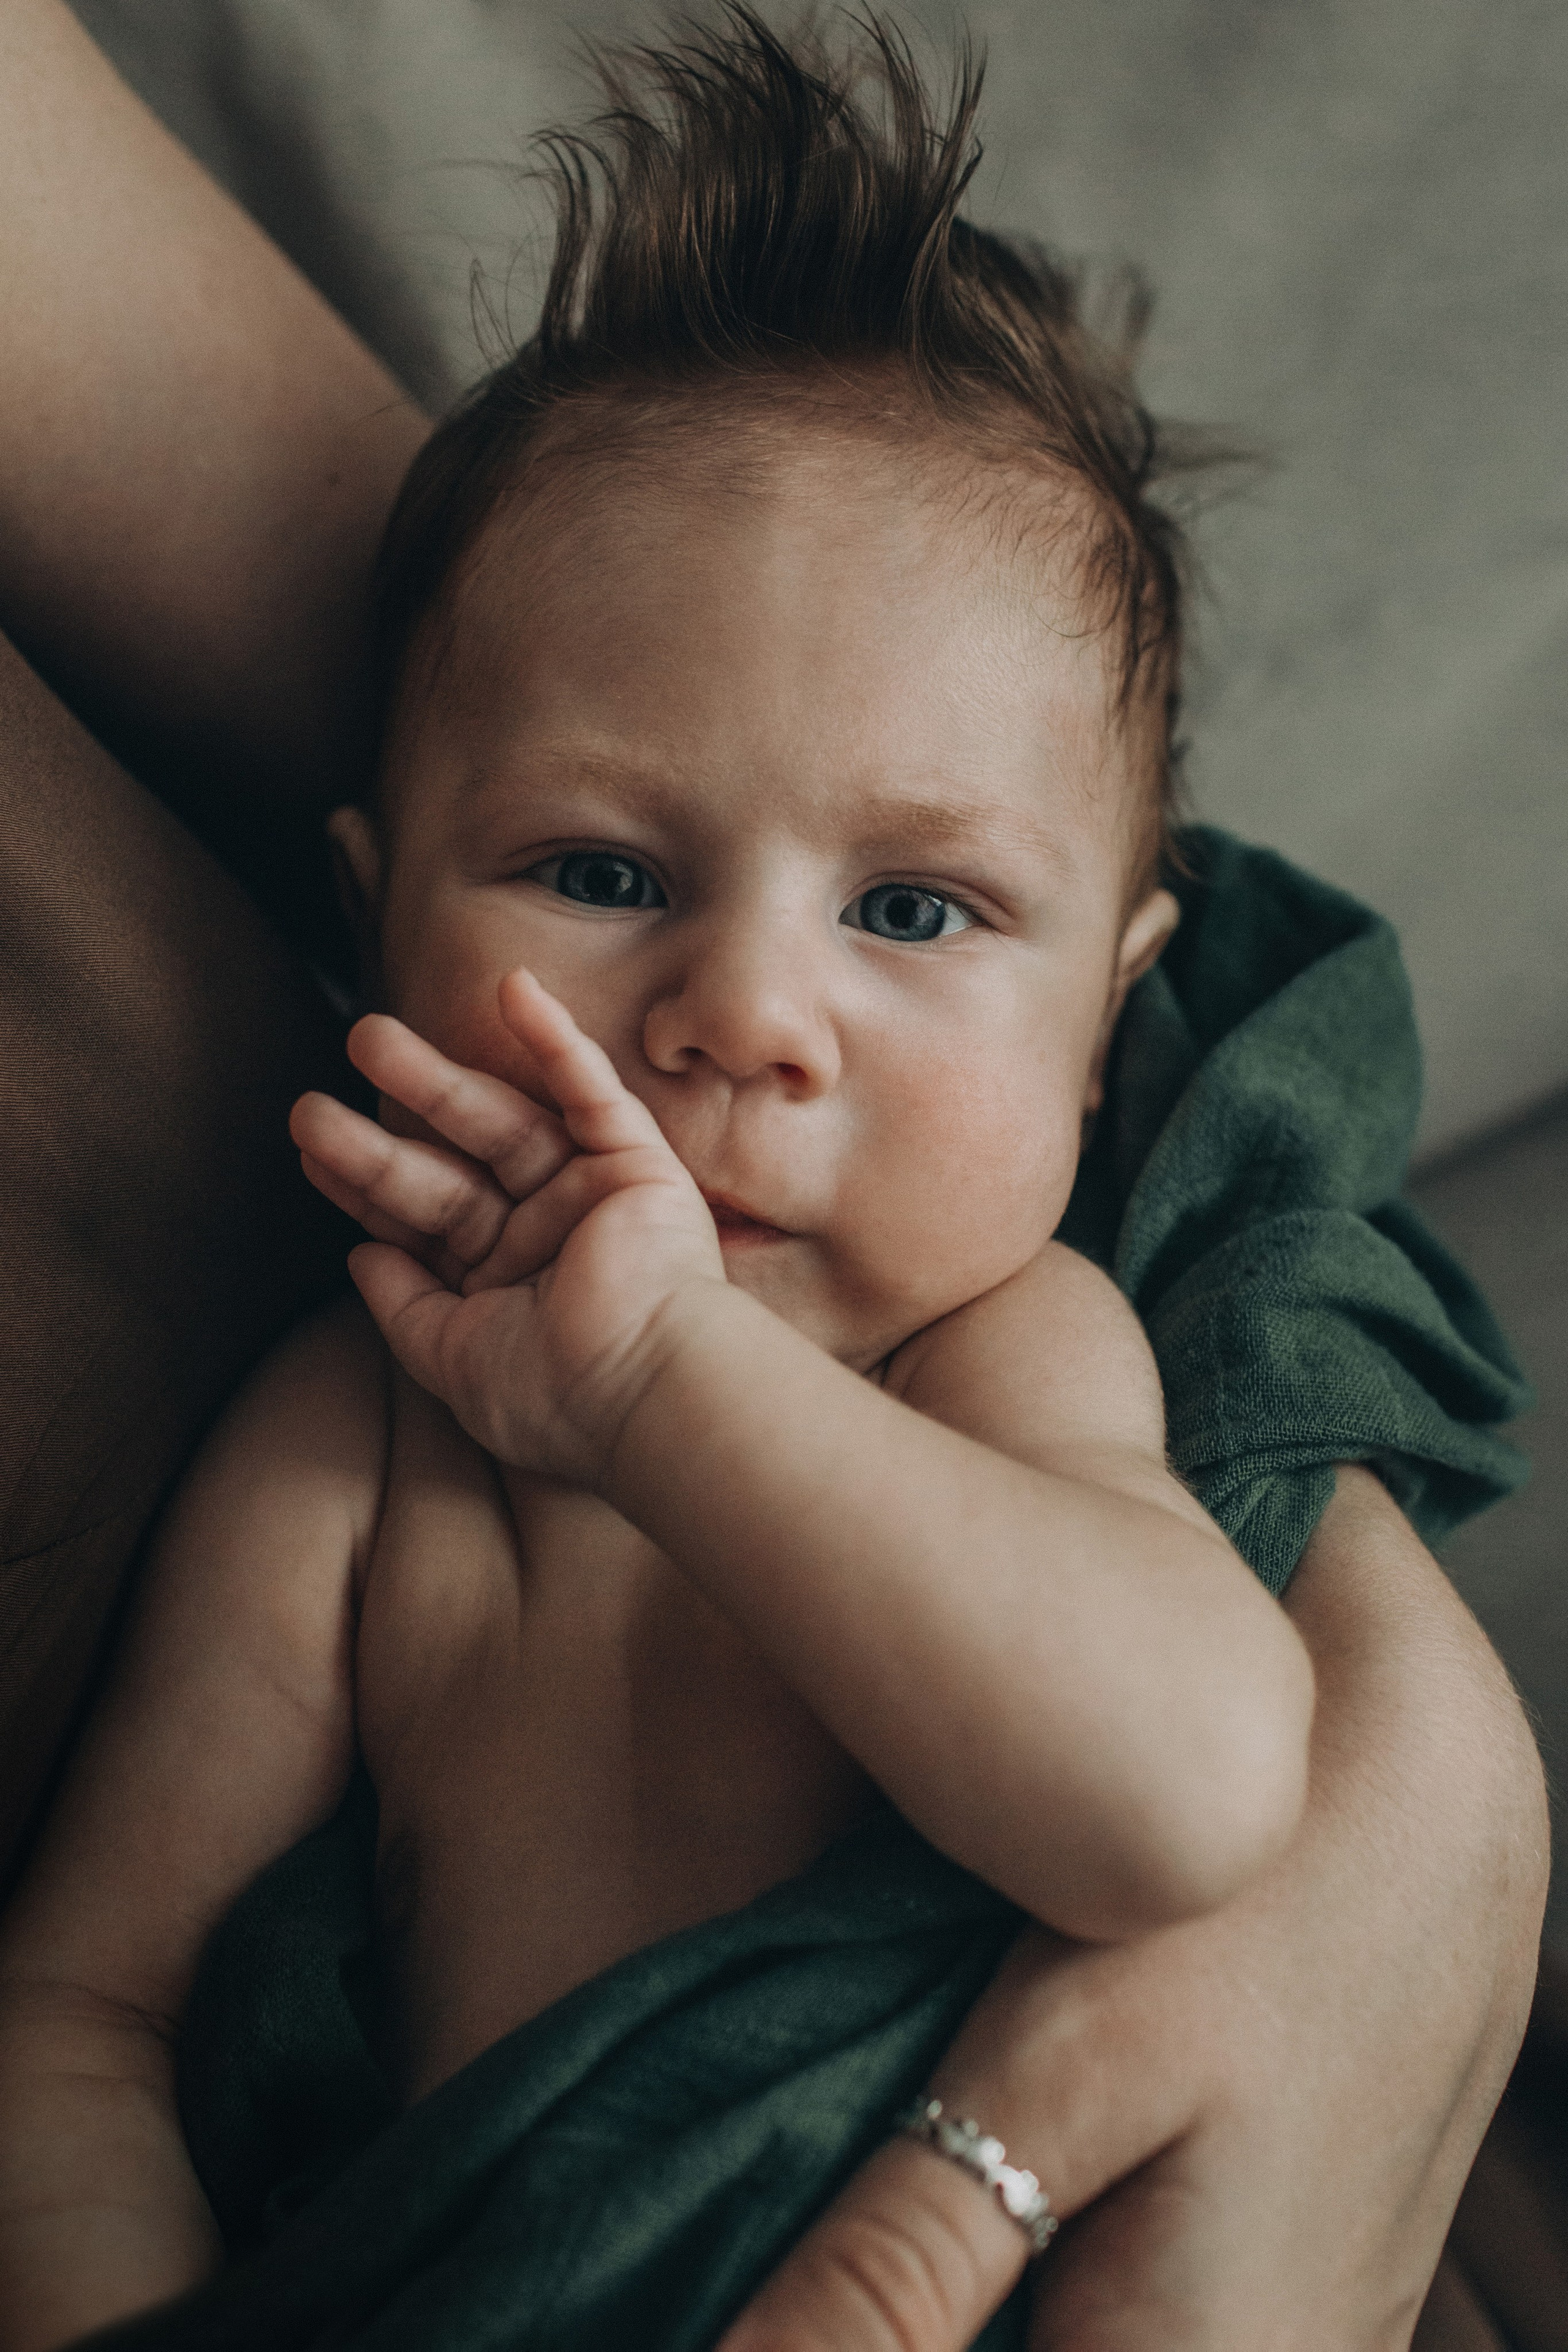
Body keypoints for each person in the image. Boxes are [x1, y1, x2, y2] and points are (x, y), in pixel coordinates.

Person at [0, 6, 1547, 2350]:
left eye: (914, 912)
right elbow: (80, 2017)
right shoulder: (356, 1452)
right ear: (370, 920)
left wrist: (654, 1388)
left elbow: (1190, 1798)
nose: (743, 1012)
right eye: (602, 870)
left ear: (1117, 1022)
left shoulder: (1011, 1362)